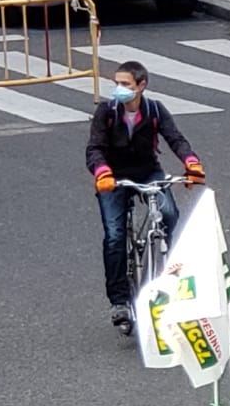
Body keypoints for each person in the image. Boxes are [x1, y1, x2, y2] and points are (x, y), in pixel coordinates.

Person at [86, 61, 205, 330]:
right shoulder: (106, 111)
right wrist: (103, 172)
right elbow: (94, 148)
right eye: (117, 83)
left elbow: (175, 138)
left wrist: (191, 162)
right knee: (115, 235)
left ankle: (162, 260)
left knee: (169, 213)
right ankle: (119, 302)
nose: (119, 89)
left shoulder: (154, 110)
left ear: (141, 86)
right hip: (113, 177)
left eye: (126, 84)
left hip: (147, 172)